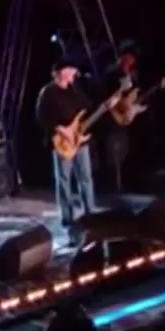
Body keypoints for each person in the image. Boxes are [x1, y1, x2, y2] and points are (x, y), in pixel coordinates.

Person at [36, 58, 113, 227]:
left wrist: (105, 107)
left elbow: (87, 109)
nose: (74, 73)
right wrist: (60, 129)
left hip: (80, 141)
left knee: (86, 178)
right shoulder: (48, 92)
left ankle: (90, 213)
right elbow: (41, 116)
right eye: (71, 70)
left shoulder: (75, 90)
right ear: (62, 71)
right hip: (62, 142)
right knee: (64, 180)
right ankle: (67, 218)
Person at [104, 41, 142, 193]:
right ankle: (113, 184)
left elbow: (134, 93)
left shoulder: (132, 74)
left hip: (127, 116)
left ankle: (130, 180)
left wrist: (134, 106)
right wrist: (120, 102)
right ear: (123, 56)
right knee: (114, 150)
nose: (131, 61)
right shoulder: (111, 72)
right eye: (129, 57)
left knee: (128, 148)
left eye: (133, 59)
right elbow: (106, 95)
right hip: (113, 117)